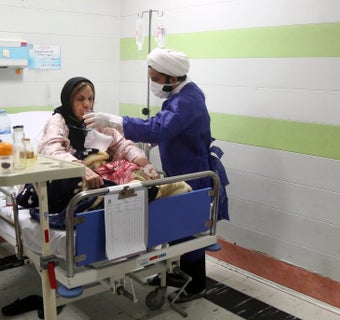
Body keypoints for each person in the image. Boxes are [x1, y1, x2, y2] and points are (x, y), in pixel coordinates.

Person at [85, 48, 230, 303]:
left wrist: (116, 121)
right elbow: (169, 125)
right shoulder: (181, 94)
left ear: (171, 78)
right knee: (177, 226)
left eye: (155, 78)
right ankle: (176, 273)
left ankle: (195, 285)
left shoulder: (187, 99)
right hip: (180, 170)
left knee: (189, 229)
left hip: (193, 173)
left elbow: (161, 126)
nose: (152, 83)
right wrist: (156, 141)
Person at [37, 76, 157, 205]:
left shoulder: (95, 120)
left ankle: (147, 190)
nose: (87, 104)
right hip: (73, 176)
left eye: (90, 99)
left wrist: (143, 162)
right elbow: (52, 151)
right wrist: (81, 169)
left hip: (99, 173)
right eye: (80, 99)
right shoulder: (57, 122)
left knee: (131, 169)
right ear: (68, 101)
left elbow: (122, 144)